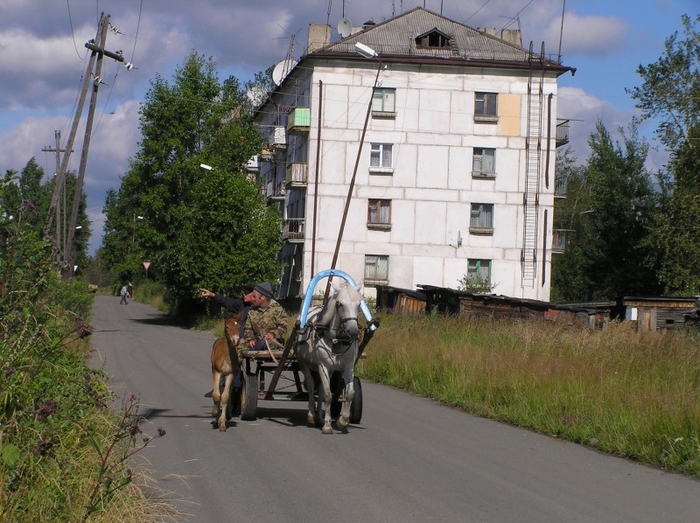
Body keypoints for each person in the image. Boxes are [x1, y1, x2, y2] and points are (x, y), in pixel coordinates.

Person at [200, 283, 256, 398]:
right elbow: (227, 302)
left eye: (246, 293)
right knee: (230, 354)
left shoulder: (262, 307)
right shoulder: (241, 304)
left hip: (254, 341)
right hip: (238, 340)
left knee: (237, 356)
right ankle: (222, 384)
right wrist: (212, 295)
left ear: (255, 295)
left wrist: (248, 339)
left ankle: (234, 385)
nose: (243, 295)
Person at [237, 282, 289, 355]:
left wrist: (273, 334)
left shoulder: (277, 310)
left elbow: (283, 327)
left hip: (273, 342)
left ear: (263, 298)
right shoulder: (252, 311)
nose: (252, 298)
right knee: (237, 347)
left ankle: (257, 347)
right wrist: (250, 339)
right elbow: (248, 328)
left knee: (264, 343)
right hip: (256, 342)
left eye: (254, 296)